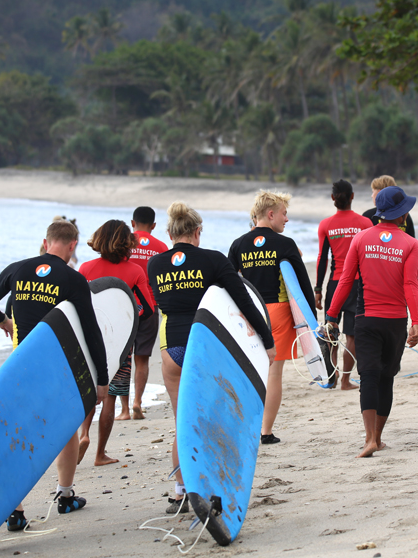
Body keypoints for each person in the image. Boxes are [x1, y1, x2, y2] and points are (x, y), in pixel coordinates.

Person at [0, 220, 108, 530]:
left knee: (18, 435)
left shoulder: (17, 269)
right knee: (65, 429)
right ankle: (65, 496)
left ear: (46, 241)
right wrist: (102, 380)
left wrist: (4, 321)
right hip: (56, 368)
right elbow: (91, 331)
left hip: (20, 368)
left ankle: (15, 512)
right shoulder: (73, 279)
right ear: (73, 245)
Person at [148, 202, 275, 514]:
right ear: (197, 232)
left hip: (171, 348)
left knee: (183, 421)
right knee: (214, 419)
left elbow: (163, 302)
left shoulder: (154, 265)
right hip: (206, 345)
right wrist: (267, 341)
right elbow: (243, 301)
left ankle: (180, 494)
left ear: (169, 233)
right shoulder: (213, 260)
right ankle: (214, 491)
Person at [325, 186, 418, 458]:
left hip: (366, 318)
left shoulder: (360, 239)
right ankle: (377, 438)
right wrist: (416, 321)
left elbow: (346, 280)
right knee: (386, 378)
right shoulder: (410, 244)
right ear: (401, 214)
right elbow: (410, 284)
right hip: (395, 321)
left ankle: (369, 439)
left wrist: (332, 315)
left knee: (368, 376)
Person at [229, 190, 315, 445]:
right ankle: (265, 432)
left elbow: (228, 283)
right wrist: (312, 321)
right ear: (270, 214)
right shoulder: (286, 244)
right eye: (284, 214)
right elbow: (303, 286)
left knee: (249, 371)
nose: (286, 219)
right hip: (277, 313)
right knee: (274, 374)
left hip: (248, 313)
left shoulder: (238, 244)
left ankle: (246, 426)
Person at [77, 220, 154, 466]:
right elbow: (147, 308)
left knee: (90, 391)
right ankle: (100, 454)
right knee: (110, 396)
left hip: (89, 340)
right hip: (119, 344)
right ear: (127, 243)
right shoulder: (135, 271)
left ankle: (84, 434)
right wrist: (128, 317)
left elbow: (75, 305)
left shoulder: (86, 268)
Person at [315, 180, 372, 390]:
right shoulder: (365, 223)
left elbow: (322, 259)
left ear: (333, 198)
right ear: (352, 196)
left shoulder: (326, 225)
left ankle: (332, 375)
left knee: (331, 332)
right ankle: (346, 381)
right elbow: (369, 258)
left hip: (335, 285)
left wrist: (318, 289)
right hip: (358, 286)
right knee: (352, 336)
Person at [119, 206, 169, 420]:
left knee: (123, 359)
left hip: (124, 305)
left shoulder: (124, 243)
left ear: (132, 223)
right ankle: (138, 402)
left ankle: (124, 409)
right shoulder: (161, 247)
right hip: (150, 306)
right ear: (154, 225)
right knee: (142, 359)